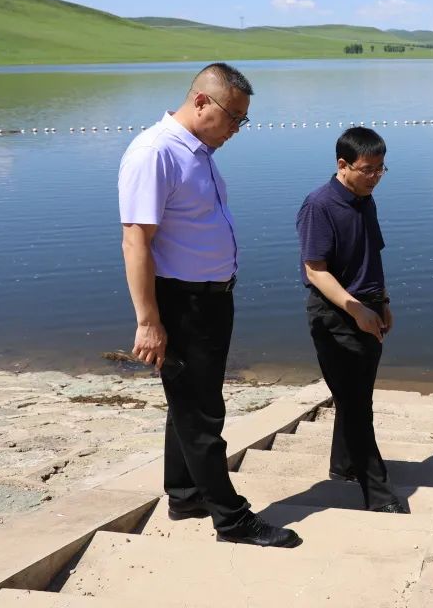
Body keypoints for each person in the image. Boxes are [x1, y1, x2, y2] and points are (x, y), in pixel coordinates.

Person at [118, 62, 300, 549]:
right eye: (234, 117)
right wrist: (148, 321)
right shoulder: (156, 152)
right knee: (202, 414)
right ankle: (231, 518)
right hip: (182, 303)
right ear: (201, 101)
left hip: (211, 299)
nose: (237, 128)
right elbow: (136, 240)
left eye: (243, 119)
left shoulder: (197, 152)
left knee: (190, 403)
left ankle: (184, 495)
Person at [296, 127, 407, 513]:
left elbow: (371, 255)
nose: (375, 177)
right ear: (343, 165)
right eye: (367, 169)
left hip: (370, 309)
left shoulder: (365, 199)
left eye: (381, 169)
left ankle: (343, 465)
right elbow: (315, 270)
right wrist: (356, 309)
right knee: (357, 404)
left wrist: (383, 301)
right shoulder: (319, 205)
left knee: (356, 397)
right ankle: (379, 495)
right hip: (336, 316)